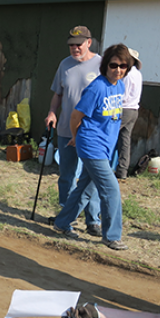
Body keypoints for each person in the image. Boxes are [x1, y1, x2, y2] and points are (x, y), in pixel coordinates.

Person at [53, 43, 131, 250]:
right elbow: (76, 115)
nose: (118, 70)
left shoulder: (120, 85)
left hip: (105, 147)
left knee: (85, 189)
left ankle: (61, 223)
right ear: (106, 65)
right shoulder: (97, 87)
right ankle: (112, 236)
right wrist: (76, 138)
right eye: (114, 65)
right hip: (90, 145)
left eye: (123, 66)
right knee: (111, 189)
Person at [45, 27, 102, 236]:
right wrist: (52, 112)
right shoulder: (64, 64)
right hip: (65, 130)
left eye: (78, 44)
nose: (74, 48)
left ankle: (93, 220)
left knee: (90, 176)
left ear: (89, 42)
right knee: (66, 175)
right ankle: (67, 216)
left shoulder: (101, 65)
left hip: (89, 132)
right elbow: (58, 94)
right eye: (71, 44)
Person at [116, 48, 143, 180]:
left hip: (124, 109)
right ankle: (122, 171)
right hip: (134, 110)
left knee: (109, 136)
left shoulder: (128, 74)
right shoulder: (137, 73)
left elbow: (123, 95)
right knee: (124, 141)